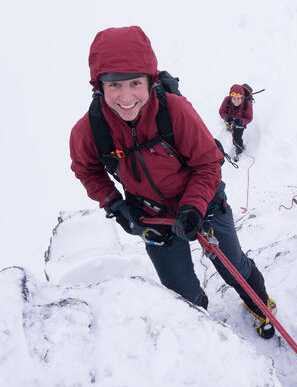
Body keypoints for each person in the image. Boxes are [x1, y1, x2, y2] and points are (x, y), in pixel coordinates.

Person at [70, 26, 274, 324]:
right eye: (114, 85)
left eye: (135, 83)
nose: (126, 97)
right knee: (180, 294)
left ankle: (261, 307)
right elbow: (86, 170)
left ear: (150, 81)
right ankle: (202, 331)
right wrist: (115, 205)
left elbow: (207, 164)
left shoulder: (175, 111)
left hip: (206, 205)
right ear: (98, 85)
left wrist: (193, 207)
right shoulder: (90, 130)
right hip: (151, 217)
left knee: (235, 268)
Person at [219, 85, 253, 158]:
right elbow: (221, 111)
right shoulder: (227, 100)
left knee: (237, 137)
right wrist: (226, 117)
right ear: (230, 97)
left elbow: (249, 118)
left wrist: (242, 121)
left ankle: (240, 149)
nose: (236, 101)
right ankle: (229, 126)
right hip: (230, 119)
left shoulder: (247, 104)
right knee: (229, 126)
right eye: (234, 98)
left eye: (238, 99)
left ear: (242, 98)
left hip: (240, 122)